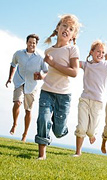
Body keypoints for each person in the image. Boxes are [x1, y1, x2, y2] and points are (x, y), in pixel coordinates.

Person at [35, 14, 82, 160]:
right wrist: (41, 76)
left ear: (73, 35)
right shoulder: (48, 51)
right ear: (57, 28)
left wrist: (53, 63)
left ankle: (61, 127)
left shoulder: (72, 49)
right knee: (43, 119)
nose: (66, 29)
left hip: (63, 95)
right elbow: (50, 72)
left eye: (71, 28)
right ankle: (42, 155)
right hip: (47, 91)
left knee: (58, 131)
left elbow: (74, 72)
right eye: (64, 26)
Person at [5, 34, 48, 142]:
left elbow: (47, 71)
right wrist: (10, 78)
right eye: (30, 42)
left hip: (32, 85)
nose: (31, 44)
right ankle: (15, 124)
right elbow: (13, 65)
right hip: (19, 82)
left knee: (28, 110)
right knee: (17, 102)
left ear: (36, 44)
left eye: (34, 43)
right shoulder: (18, 53)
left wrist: (41, 76)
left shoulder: (40, 57)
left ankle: (25, 134)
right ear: (26, 42)